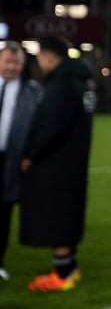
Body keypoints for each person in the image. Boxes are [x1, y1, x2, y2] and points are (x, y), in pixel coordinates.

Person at [20, 36, 96, 292]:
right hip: (74, 161)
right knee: (69, 213)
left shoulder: (61, 83)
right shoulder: (82, 80)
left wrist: (31, 154)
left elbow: (50, 124)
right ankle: (70, 269)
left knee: (56, 216)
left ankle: (62, 274)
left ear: (48, 56)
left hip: (55, 164)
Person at [0, 41, 44, 282]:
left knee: (4, 214)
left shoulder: (33, 91)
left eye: (16, 62)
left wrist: (30, 155)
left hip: (11, 161)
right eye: (7, 61)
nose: (11, 66)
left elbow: (39, 129)